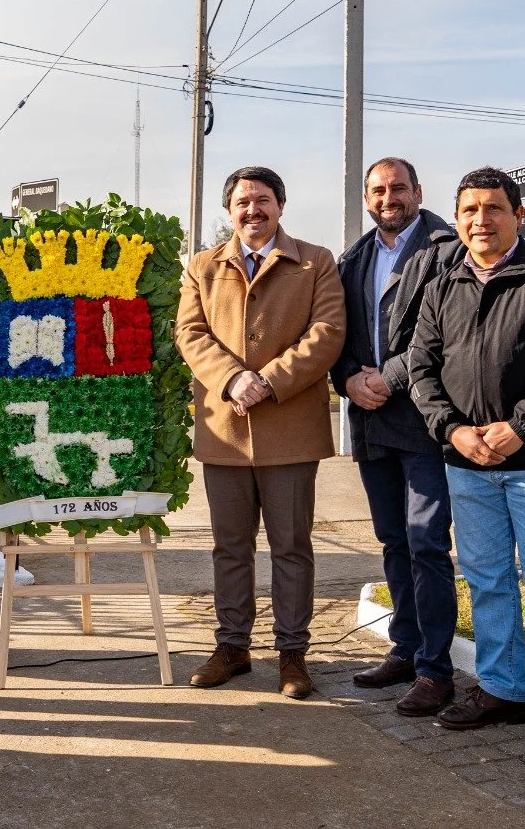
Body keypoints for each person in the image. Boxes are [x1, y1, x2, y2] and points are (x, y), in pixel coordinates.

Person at [407, 166, 525, 758]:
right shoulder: (442, 286)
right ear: (457, 217)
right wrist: (454, 430)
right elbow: (421, 369)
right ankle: (499, 689)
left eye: (493, 208)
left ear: (517, 214)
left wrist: (520, 428)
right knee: (488, 581)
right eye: (469, 209)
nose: (480, 220)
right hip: (466, 463)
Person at [176, 166, 346, 700]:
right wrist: (231, 379)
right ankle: (232, 646)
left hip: (290, 426)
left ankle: (293, 655)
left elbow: (328, 332)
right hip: (224, 428)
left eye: (264, 200)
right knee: (230, 546)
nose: (254, 210)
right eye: (243, 202)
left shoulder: (315, 261)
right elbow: (190, 331)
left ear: (281, 205)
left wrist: (268, 381)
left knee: (291, 545)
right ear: (229, 212)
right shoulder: (202, 266)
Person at [331, 158, 465, 716]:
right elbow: (336, 332)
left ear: (418, 192)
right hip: (372, 421)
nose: (389, 197)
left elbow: (448, 334)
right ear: (367, 197)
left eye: (399, 188)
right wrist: (347, 381)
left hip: (426, 420)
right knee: (393, 540)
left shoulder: (447, 248)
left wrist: (391, 377)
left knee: (428, 544)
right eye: (379, 190)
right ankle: (406, 649)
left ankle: (436, 669)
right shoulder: (354, 257)